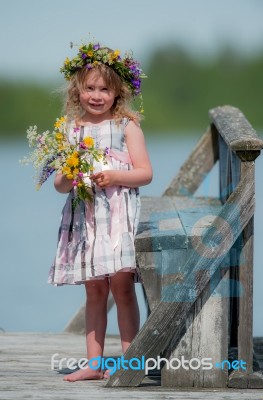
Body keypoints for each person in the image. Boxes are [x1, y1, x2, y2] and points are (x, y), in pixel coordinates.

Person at [48, 41, 152, 381]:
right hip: (86, 219)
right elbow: (60, 186)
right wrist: (70, 174)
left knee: (122, 287)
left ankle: (130, 361)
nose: (97, 95)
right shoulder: (71, 129)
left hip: (118, 215)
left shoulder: (127, 125)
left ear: (117, 92)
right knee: (94, 289)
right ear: (77, 90)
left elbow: (145, 173)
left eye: (104, 89)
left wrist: (115, 176)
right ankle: (94, 364)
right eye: (89, 88)